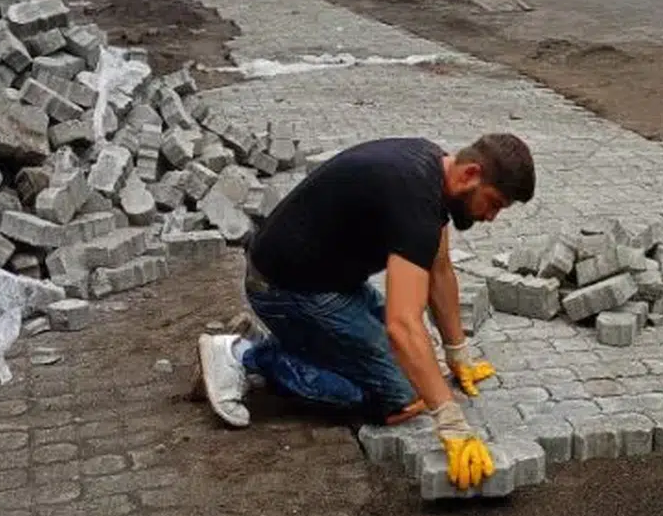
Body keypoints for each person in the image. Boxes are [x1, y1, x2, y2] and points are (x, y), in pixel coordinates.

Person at [196, 134, 536, 491]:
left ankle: (292, 342)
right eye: (494, 203)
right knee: (401, 396)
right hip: (285, 290)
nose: (493, 217)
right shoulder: (414, 201)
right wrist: (452, 423)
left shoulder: (432, 171)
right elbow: (402, 326)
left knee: (419, 364)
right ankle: (245, 357)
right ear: (470, 174)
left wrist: (457, 353)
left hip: (329, 283)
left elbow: (439, 271)